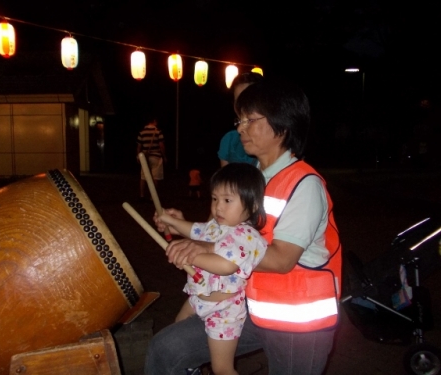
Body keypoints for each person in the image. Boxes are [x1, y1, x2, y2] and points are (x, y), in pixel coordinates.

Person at [145, 77, 342, 375]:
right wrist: (178, 223)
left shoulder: (304, 184)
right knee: (167, 349)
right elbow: (216, 231)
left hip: (297, 322)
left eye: (250, 119)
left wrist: (199, 250)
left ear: (282, 125)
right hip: (246, 305)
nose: (240, 128)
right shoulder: (252, 178)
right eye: (239, 119)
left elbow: (280, 259)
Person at [156, 163, 268, 375]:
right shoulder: (216, 226)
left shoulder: (247, 235)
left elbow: (226, 265)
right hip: (198, 298)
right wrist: (169, 220)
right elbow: (194, 230)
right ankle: (191, 366)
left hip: (223, 310)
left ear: (253, 205)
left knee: (222, 368)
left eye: (227, 200)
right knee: (176, 329)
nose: (218, 207)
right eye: (215, 199)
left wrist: (192, 255)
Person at [217, 72, 264, 167]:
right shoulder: (230, 140)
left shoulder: (270, 136)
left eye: (248, 100)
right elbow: (225, 180)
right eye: (238, 101)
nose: (242, 106)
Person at [137, 116, 167, 201]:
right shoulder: (158, 131)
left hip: (145, 157)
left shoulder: (141, 132)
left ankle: (142, 195)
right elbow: (161, 145)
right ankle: (152, 196)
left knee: (143, 177)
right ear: (154, 121)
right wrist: (164, 156)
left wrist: (138, 156)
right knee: (155, 177)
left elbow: (139, 146)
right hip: (156, 156)